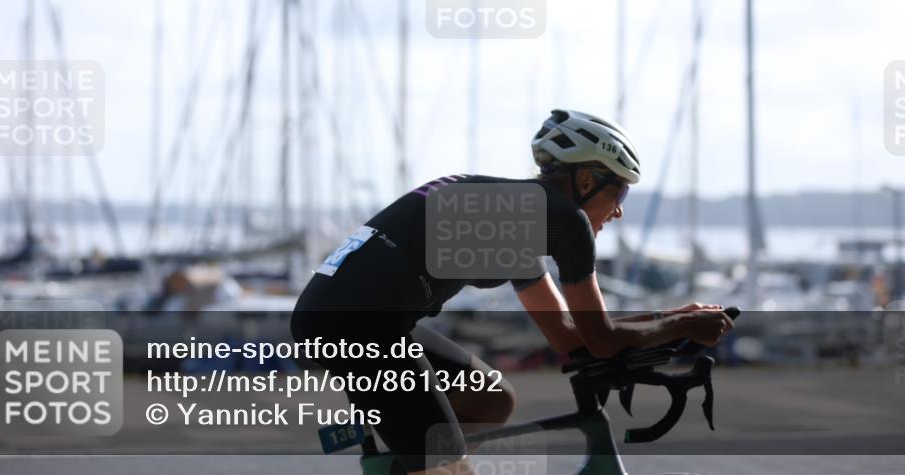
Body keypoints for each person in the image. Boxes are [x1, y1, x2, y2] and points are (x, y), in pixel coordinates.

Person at [290, 109, 734, 475]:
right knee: (450, 469)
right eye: (619, 191)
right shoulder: (564, 221)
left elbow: (567, 333)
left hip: (351, 317)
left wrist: (672, 317)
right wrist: (681, 324)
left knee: (490, 398)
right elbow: (598, 339)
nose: (618, 211)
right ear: (586, 181)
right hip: (359, 326)